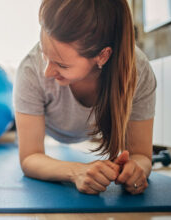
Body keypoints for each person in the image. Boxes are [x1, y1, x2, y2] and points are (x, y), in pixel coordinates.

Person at [13, 0, 156, 195]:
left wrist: (136, 170)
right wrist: (76, 172)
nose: (47, 72)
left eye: (62, 65)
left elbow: (142, 156)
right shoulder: (30, 70)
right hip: (46, 123)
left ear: (103, 56)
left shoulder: (138, 71)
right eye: (44, 55)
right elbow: (30, 157)